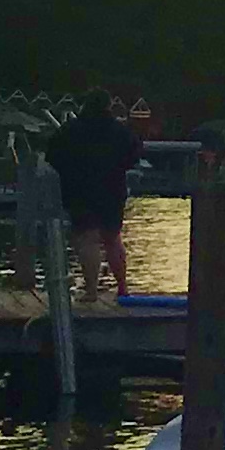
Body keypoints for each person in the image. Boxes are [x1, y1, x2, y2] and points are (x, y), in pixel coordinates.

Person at [43, 91, 145, 306]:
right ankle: (123, 288)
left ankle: (91, 290)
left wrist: (70, 171)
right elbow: (134, 155)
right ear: (108, 106)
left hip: (79, 189)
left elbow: (52, 155)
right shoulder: (120, 131)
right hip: (112, 188)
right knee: (112, 238)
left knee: (87, 238)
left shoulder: (70, 130)